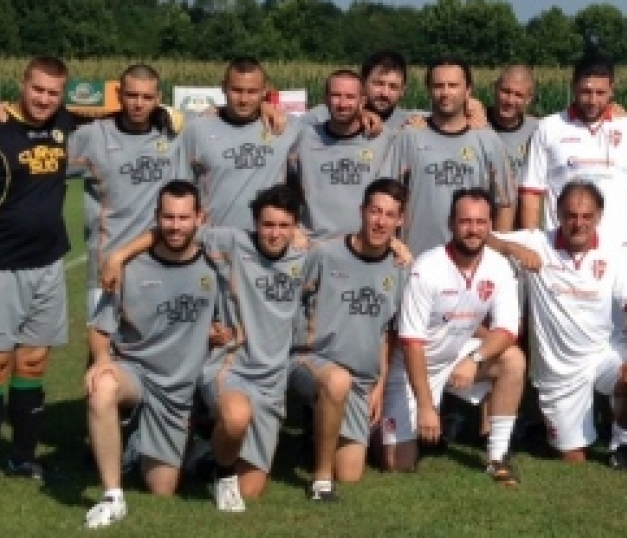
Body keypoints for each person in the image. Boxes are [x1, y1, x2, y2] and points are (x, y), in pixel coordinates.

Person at [99, 184, 312, 512]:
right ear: (255, 223)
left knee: (252, 490)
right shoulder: (231, 243)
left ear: (296, 226)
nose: (275, 233)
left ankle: (200, 452)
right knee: (234, 419)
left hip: (272, 382)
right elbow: (173, 229)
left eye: (284, 226)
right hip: (232, 367)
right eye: (268, 224)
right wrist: (119, 255)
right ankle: (215, 470)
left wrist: (397, 245)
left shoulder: (307, 255)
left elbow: (350, 246)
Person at [84, 180, 223, 528]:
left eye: (183, 218)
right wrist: (102, 361)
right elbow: (100, 329)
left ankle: (139, 446)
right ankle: (112, 497)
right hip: (136, 372)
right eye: (168, 217)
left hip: (177, 389)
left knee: (162, 489)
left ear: (199, 218)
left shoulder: (216, 266)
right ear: (156, 217)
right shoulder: (130, 267)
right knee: (102, 389)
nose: (175, 226)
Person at [498, 181, 627, 469]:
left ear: (599, 216)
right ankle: (552, 429)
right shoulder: (537, 242)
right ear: (556, 213)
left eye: (586, 217)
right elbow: (484, 237)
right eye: (570, 215)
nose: (578, 224)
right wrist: (513, 249)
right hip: (560, 372)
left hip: (604, 354)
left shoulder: (618, 251)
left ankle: (619, 444)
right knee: (574, 461)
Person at [382, 188, 526, 484]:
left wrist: (475, 358)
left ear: (490, 225)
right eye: (465, 222)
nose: (473, 230)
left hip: (458, 358)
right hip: (414, 367)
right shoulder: (428, 267)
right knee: (399, 463)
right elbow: (411, 343)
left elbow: (507, 329)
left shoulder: (499, 266)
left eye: (480, 222)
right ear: (451, 223)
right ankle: (381, 427)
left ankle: (497, 456)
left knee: (513, 360)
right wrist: (424, 405)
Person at [0, 55, 93, 482]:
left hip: (49, 262)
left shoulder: (65, 123)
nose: (44, 99)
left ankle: (21, 456)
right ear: (23, 84)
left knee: (32, 362)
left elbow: (116, 110)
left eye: (53, 93)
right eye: (38, 89)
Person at [291, 178, 409, 501]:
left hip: (360, 379)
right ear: (361, 211)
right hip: (310, 359)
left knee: (352, 473)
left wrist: (380, 385)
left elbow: (388, 332)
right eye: (375, 211)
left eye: (389, 215)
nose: (380, 221)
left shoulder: (399, 270)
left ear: (400, 221)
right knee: (336, 381)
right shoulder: (325, 254)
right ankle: (320, 482)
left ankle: (315, 438)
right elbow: (290, 298)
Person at [69, 63, 185, 323]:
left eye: (147, 97)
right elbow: (44, 159)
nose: (138, 104)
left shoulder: (171, 135)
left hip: (159, 259)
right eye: (132, 95)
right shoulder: (91, 136)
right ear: (120, 94)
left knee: (150, 345)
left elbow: (224, 115)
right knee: (102, 351)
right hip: (108, 262)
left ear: (159, 99)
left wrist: (268, 106)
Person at [519, 55, 627, 250]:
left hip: (615, 253)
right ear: (573, 86)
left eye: (600, 93)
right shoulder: (548, 128)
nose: (593, 100)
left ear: (612, 90)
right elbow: (531, 195)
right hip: (561, 255)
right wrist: (531, 248)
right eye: (586, 92)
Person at [393, 58, 515, 255]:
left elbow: (505, 204)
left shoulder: (489, 141)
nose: (445, 93)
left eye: (453, 86)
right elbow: (386, 197)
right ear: (429, 89)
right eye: (438, 86)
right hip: (417, 259)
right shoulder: (409, 137)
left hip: (472, 262)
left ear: (468, 90)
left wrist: (497, 254)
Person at [182, 57, 299, 229]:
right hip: (214, 240)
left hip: (268, 241)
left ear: (265, 90)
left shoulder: (287, 127)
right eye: (236, 90)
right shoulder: (196, 129)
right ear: (223, 88)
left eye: (252, 92)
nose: (243, 99)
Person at [290, 70, 398, 238]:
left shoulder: (385, 139)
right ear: (325, 99)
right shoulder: (303, 137)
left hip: (364, 245)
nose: (342, 103)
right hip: (315, 246)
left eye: (350, 97)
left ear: (362, 101)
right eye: (336, 95)